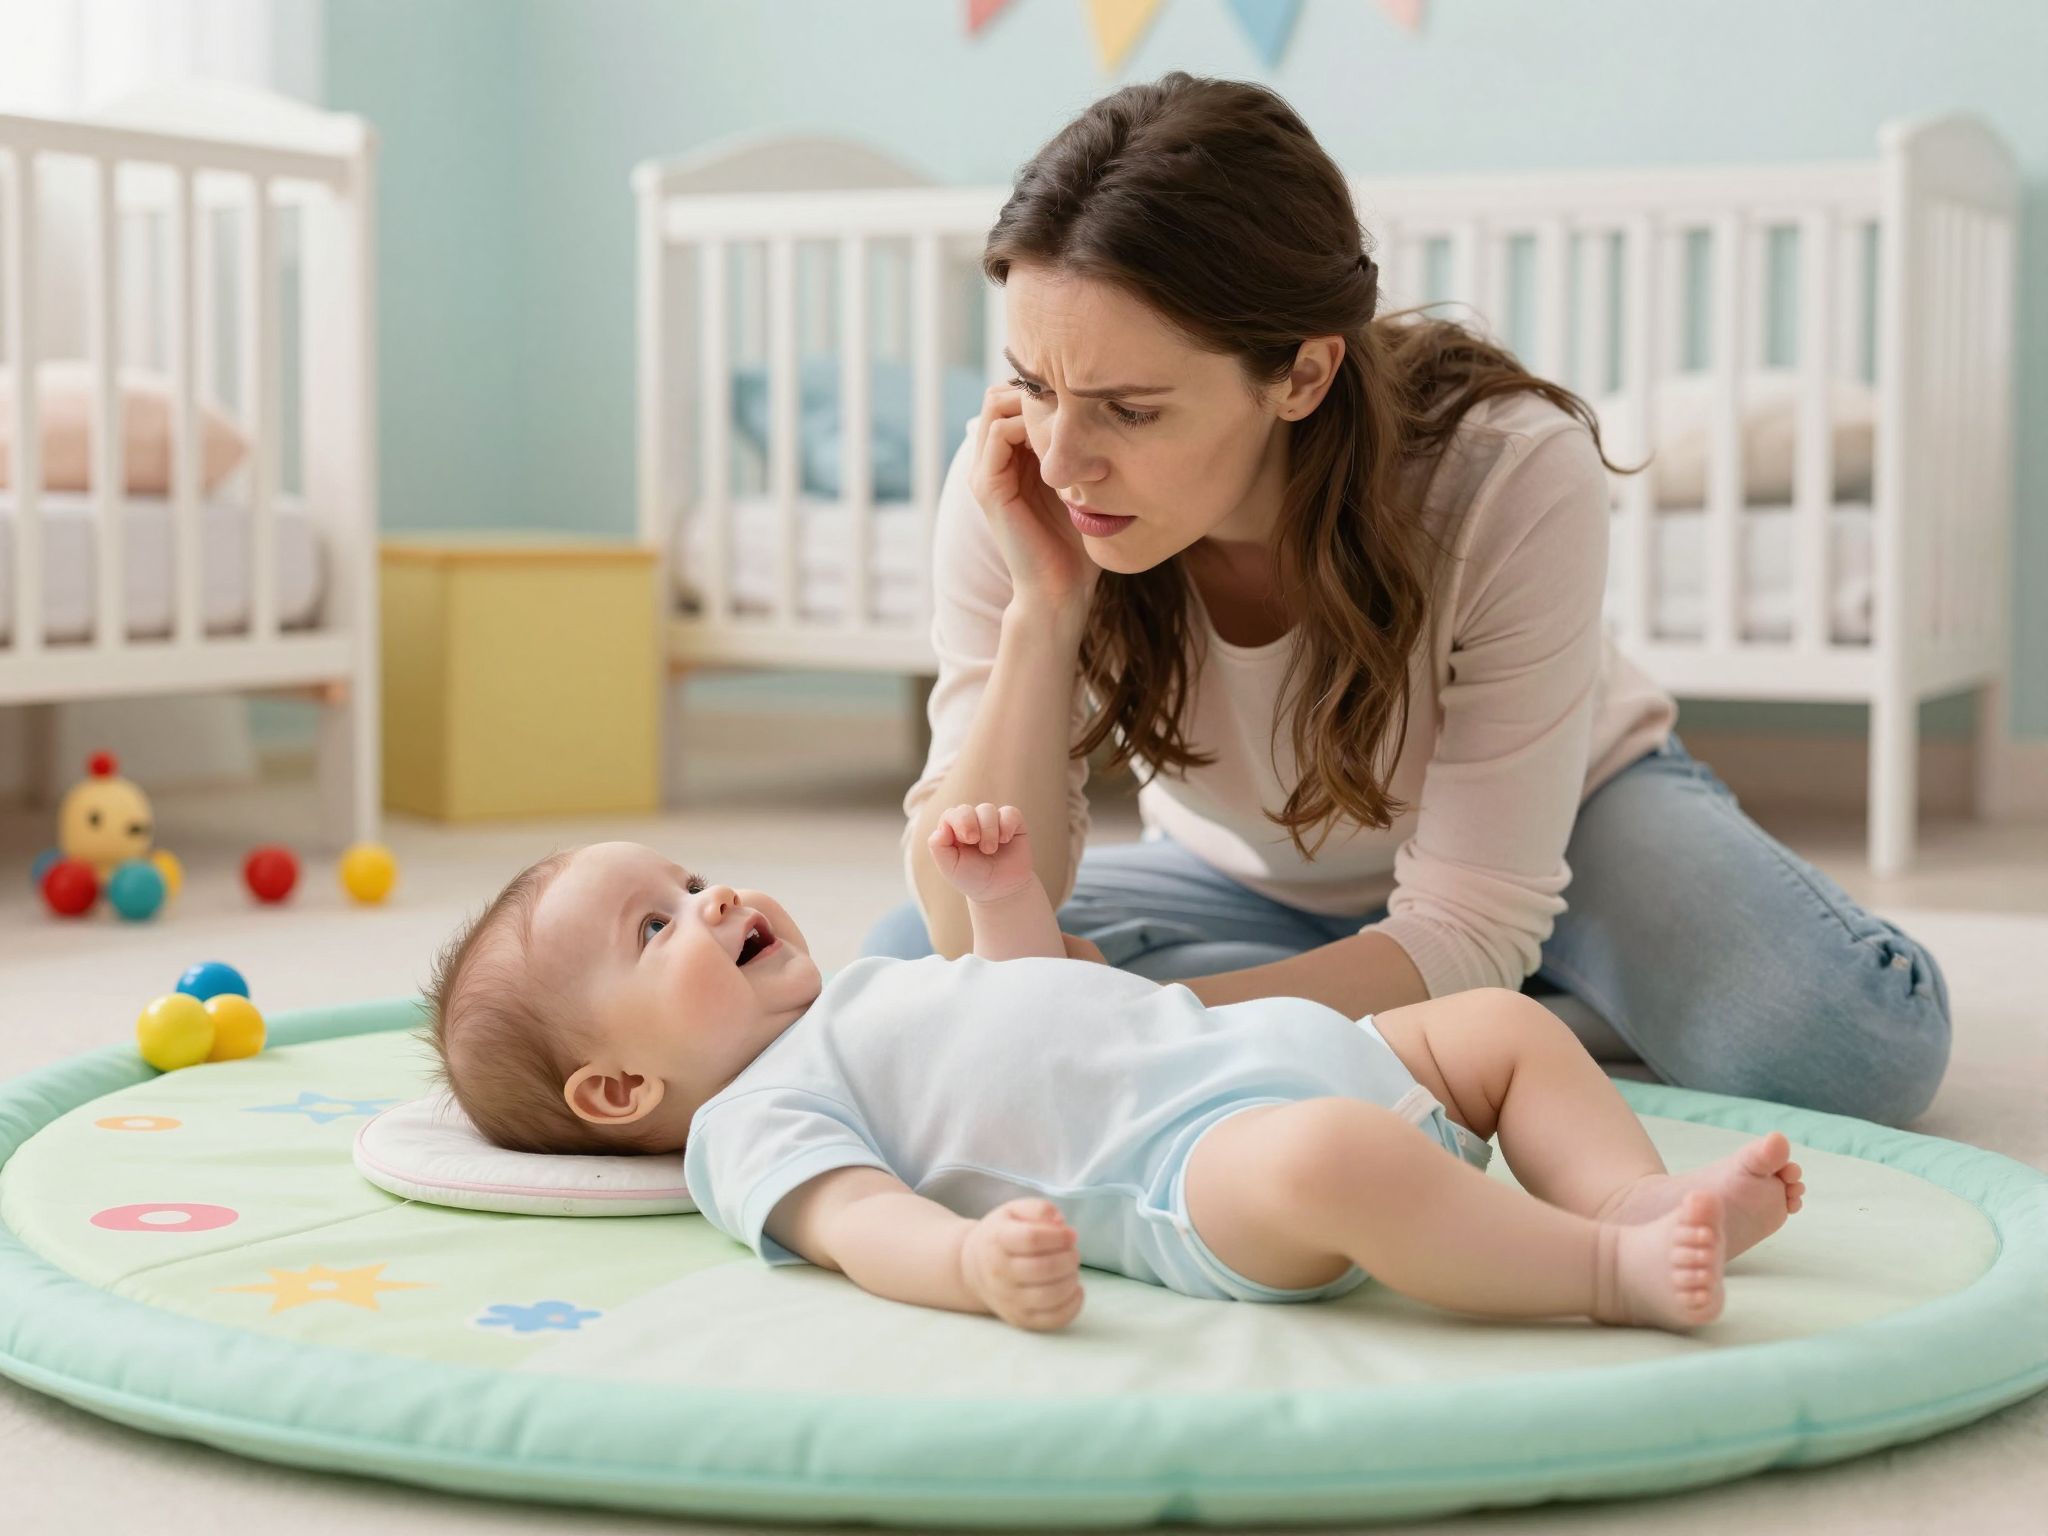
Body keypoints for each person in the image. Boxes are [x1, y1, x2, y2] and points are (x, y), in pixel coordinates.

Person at [861, 72, 1950, 1128]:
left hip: (1566, 831)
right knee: (914, 974)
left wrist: (1142, 1022)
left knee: (1842, 1041)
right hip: (1244, 872)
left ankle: (1495, 985)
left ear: (1301, 375)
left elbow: (1471, 914)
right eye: (1034, 383)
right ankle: (1483, 1004)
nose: (1062, 459)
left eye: (1130, 410)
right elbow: (963, 922)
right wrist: (1043, 615)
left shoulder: (1507, 470)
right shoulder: (1019, 480)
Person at [420, 815, 1803, 1333]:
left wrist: (1004, 902)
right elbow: (854, 1223)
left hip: (1277, 1050)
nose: (713, 901)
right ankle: (1604, 1273)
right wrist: (969, 1265)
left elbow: (1042, 999)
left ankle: (1629, 1198)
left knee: (1498, 1024)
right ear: (617, 1092)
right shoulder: (752, 1119)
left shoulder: (870, 992)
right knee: (1337, 1159)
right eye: (655, 929)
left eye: (692, 879)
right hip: (1199, 1173)